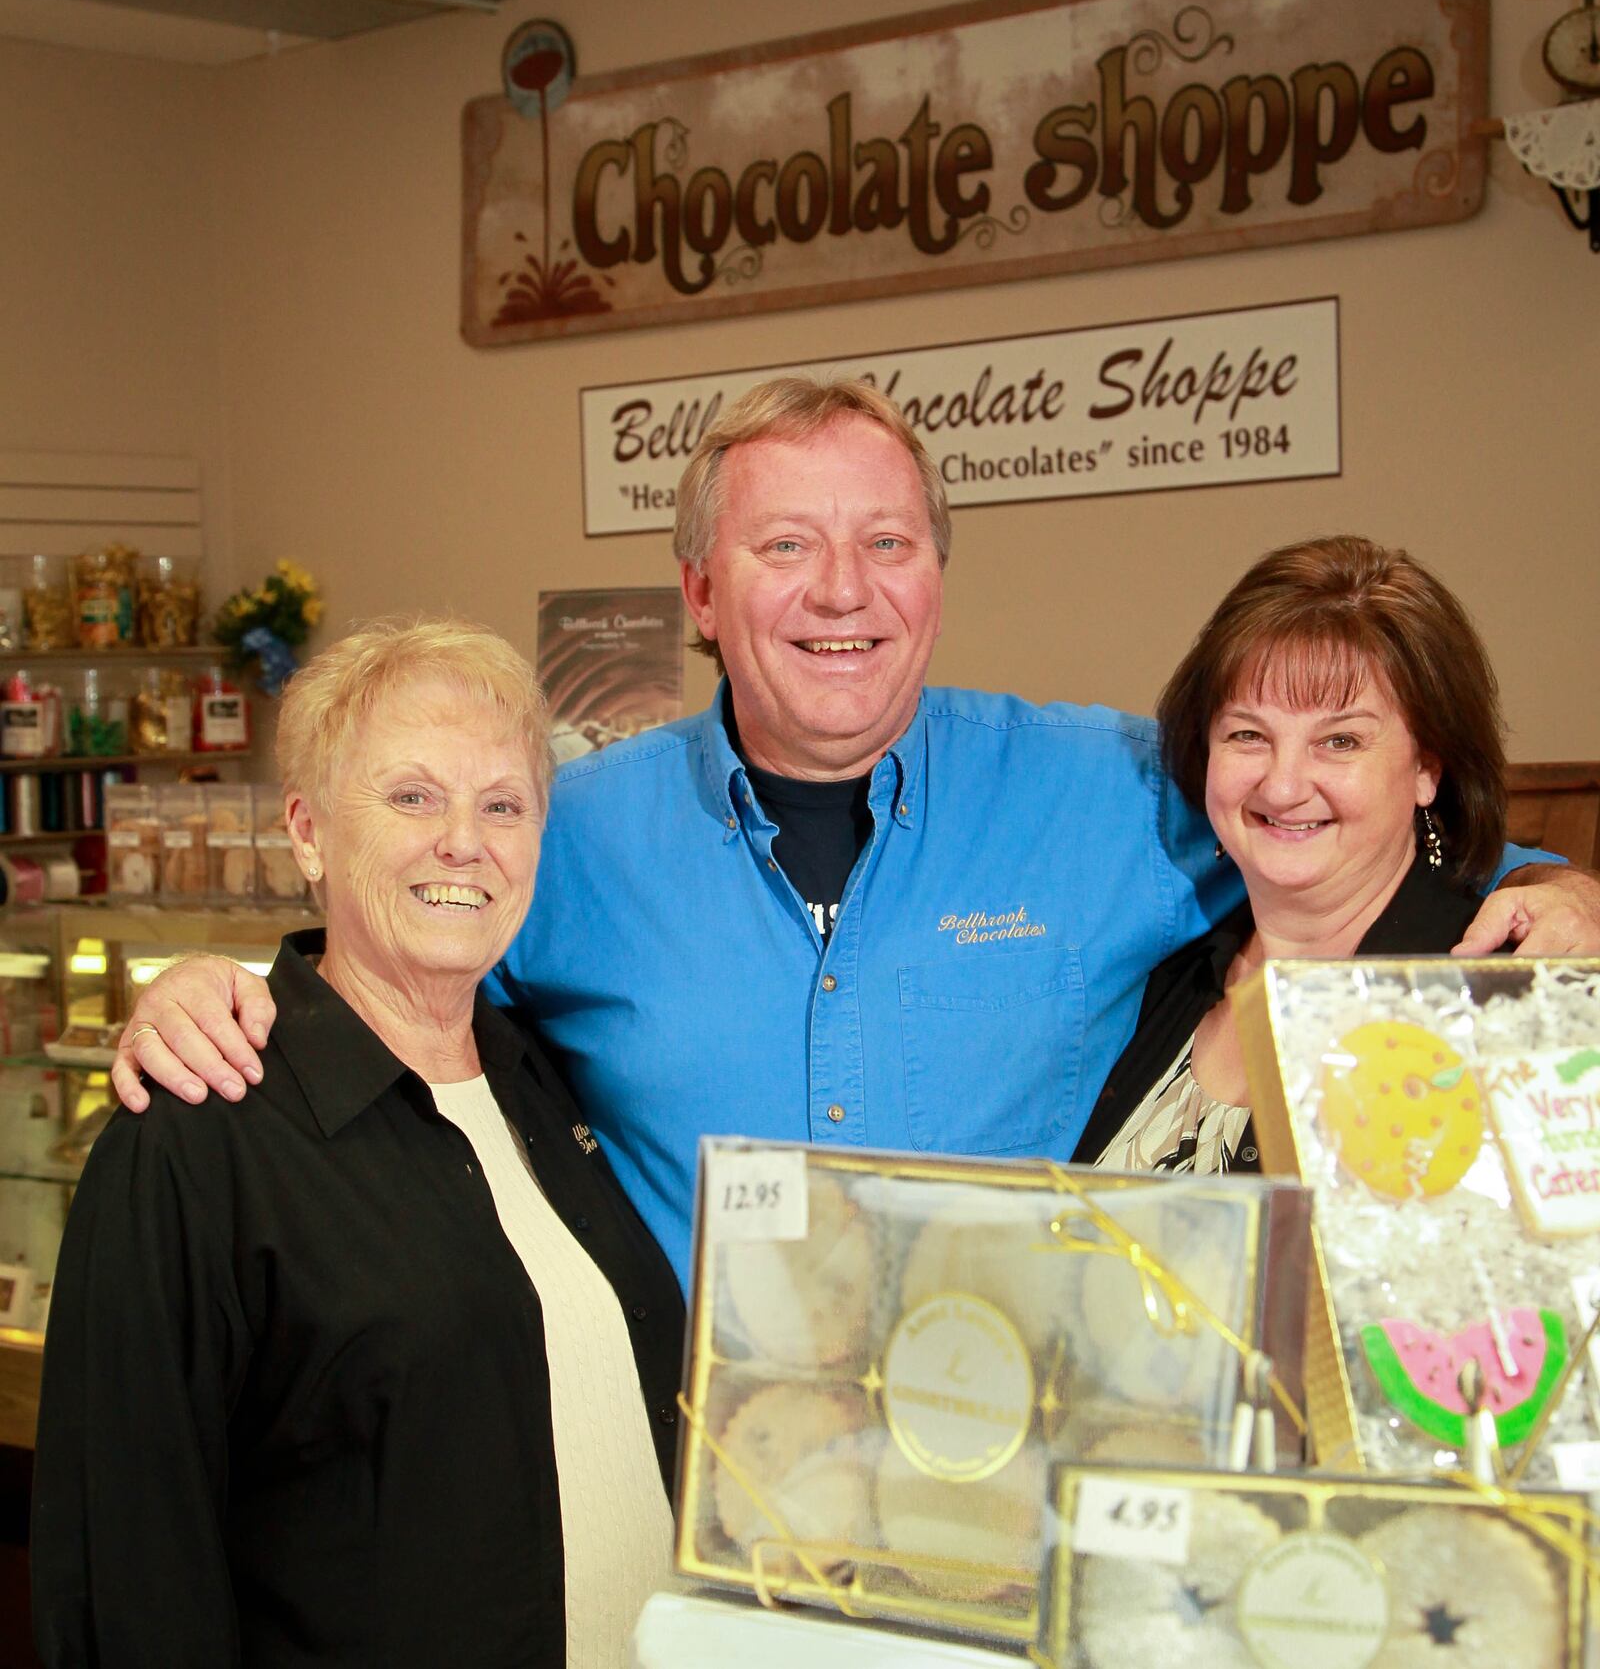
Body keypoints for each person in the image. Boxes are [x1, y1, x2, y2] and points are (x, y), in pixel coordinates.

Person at [108, 380, 1600, 1284]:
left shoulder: (1115, 789)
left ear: (935, 575)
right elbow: (399, 966)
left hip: (1018, 1493)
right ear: (700, 593)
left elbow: (1330, 826)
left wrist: (1553, 885)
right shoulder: (574, 832)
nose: (845, 591)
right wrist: (231, 985)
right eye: (786, 547)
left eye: (886, 544)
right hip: (689, 1504)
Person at [32, 621, 683, 1668]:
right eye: (412, 796)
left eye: (502, 804)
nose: (461, 841)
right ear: (307, 832)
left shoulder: (543, 1086)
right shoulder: (199, 1135)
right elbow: (126, 1575)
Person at [1076, 537, 1519, 1173]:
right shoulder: (1165, 979)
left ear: (1427, 766)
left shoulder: (1502, 1007)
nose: (1282, 786)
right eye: (1249, 735)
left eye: (1340, 741)